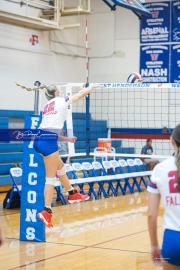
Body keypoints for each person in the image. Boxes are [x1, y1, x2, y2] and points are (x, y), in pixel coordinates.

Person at [33, 84, 99, 228]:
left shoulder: (47, 105)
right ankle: (46, 211)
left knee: (61, 167)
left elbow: (51, 130)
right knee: (50, 179)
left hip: (40, 140)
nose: (62, 91)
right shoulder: (60, 100)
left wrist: (67, 139)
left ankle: (72, 193)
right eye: (60, 89)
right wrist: (92, 86)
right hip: (47, 141)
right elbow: (80, 94)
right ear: (57, 92)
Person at [147, 124, 180, 269]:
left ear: (171, 140)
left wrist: (154, 245)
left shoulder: (160, 169)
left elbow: (151, 215)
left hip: (173, 240)